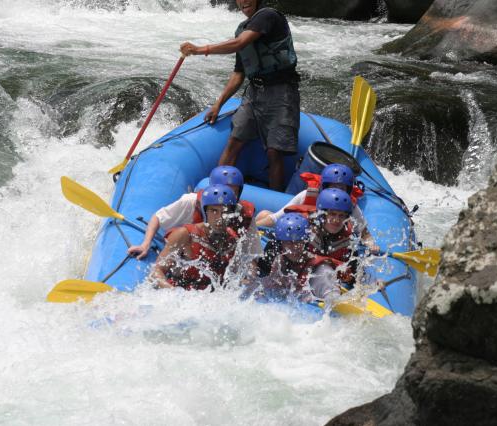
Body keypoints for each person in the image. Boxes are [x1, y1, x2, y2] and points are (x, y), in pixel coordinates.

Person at [180, 0, 300, 191]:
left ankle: (273, 205)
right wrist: (218, 105)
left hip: (281, 92)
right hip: (254, 93)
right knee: (234, 141)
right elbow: (238, 74)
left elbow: (240, 43)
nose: (243, 1)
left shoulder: (267, 16)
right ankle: (215, 192)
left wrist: (200, 49)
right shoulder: (242, 29)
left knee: (274, 152)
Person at [127, 166, 260, 259]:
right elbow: (158, 217)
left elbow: (252, 254)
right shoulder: (190, 201)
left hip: (218, 256)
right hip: (190, 251)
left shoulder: (243, 213)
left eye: (234, 192)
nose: (228, 195)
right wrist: (145, 244)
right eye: (225, 189)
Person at [256, 163, 379, 253]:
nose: (336, 191)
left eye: (341, 188)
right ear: (324, 186)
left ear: (348, 190)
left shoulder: (349, 206)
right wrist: (252, 227)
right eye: (333, 186)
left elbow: (364, 233)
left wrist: (371, 244)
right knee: (263, 214)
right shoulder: (308, 194)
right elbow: (276, 218)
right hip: (297, 234)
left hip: (328, 243)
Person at [150, 185, 239, 290]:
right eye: (214, 211)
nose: (220, 218)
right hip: (182, 294)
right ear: (205, 212)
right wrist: (172, 292)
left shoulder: (233, 240)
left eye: (225, 212)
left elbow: (234, 277)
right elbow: (156, 272)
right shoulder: (185, 235)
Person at [252, 213, 347, 303]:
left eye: (299, 242)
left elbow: (334, 302)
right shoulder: (276, 260)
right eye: (289, 242)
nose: (294, 247)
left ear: (306, 241)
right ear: (281, 243)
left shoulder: (321, 271)